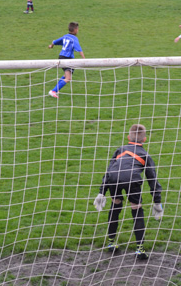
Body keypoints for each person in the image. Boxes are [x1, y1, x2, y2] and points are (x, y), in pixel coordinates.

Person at [93, 124, 163, 260]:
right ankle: (140, 249)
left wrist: (102, 192)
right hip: (132, 179)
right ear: (145, 139)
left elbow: (109, 170)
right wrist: (157, 201)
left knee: (116, 203)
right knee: (136, 208)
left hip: (114, 177)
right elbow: (152, 178)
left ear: (127, 137)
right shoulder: (145, 155)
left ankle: (111, 242)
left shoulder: (120, 150)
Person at [48, 22, 85, 98]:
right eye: (77, 29)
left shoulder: (65, 36)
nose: (78, 30)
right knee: (68, 78)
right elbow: (79, 49)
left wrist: (51, 46)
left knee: (66, 75)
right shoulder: (74, 38)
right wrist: (84, 59)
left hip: (61, 56)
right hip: (67, 58)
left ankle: (55, 90)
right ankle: (53, 91)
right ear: (75, 29)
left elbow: (54, 41)